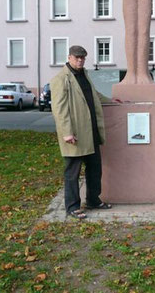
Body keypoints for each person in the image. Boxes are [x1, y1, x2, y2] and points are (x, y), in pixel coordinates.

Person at [51, 45, 113, 219]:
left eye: (83, 58)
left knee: (95, 168)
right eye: (77, 57)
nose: (80, 60)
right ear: (69, 57)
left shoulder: (84, 74)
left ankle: (93, 199)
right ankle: (72, 206)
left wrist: (112, 101)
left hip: (91, 131)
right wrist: (67, 132)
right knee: (72, 172)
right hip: (75, 134)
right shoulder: (61, 78)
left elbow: (94, 95)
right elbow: (59, 109)